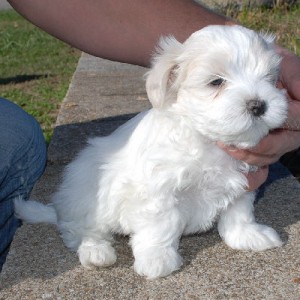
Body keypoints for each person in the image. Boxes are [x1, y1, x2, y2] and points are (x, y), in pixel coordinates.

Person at [1, 0, 299, 269]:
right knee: (132, 191)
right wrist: (155, 244)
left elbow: (243, 178)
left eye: (265, 77)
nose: (255, 99)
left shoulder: (240, 129)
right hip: (98, 201)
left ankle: (237, 228)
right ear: (168, 81)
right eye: (217, 82)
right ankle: (86, 235)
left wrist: (239, 224)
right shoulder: (168, 142)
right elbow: (152, 193)